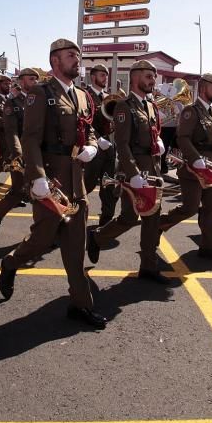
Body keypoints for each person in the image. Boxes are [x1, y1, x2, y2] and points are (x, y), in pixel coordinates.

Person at [0, 39, 105, 328]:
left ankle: (80, 304)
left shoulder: (82, 96)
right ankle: (11, 263)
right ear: (55, 60)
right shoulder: (40, 94)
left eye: (78, 56)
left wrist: (93, 147)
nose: (77, 60)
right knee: (42, 239)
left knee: (75, 247)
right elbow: (30, 138)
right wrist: (37, 177)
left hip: (76, 179)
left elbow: (90, 129)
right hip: (52, 179)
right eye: (71, 56)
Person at [88, 60, 169, 283]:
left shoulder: (150, 105)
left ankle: (148, 267)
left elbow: (153, 131)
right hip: (135, 169)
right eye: (148, 76)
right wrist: (132, 173)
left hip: (151, 168)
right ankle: (97, 238)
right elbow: (122, 144)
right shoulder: (125, 106)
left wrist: (159, 142)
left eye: (153, 77)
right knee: (128, 217)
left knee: (153, 218)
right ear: (134, 78)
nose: (153, 81)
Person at [159, 73, 212, 263]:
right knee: (190, 207)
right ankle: (160, 224)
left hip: (211, 166)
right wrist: (196, 159)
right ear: (204, 88)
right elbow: (182, 138)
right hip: (193, 166)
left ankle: (209, 248)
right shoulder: (191, 111)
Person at [0, 67, 39, 232]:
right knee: (19, 191)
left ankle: (42, 231)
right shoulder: (12, 104)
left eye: (36, 79)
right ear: (21, 81)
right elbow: (11, 132)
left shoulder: (41, 101)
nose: (35, 82)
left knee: (42, 193)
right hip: (21, 154)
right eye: (31, 78)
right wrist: (19, 154)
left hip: (39, 154)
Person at [83, 64, 118, 226]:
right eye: (101, 75)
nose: (105, 78)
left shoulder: (108, 97)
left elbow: (111, 119)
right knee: (87, 184)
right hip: (94, 146)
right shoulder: (85, 95)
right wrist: (97, 139)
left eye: (106, 75)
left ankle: (106, 220)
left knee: (109, 185)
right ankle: (70, 217)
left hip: (109, 146)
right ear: (93, 77)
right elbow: (83, 123)